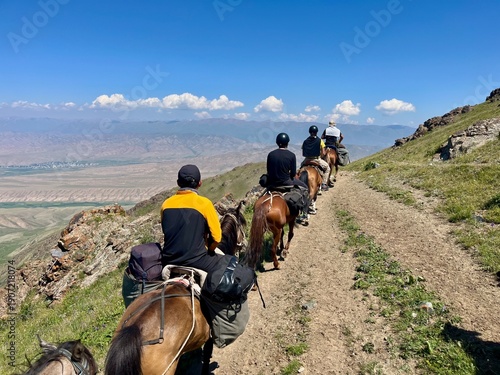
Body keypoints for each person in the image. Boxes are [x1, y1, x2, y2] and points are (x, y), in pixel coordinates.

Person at [160, 164, 223, 274]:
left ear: (178, 183)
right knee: (230, 263)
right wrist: (210, 250)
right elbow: (217, 238)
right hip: (197, 260)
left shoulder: (166, 204)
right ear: (200, 183)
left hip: (169, 259)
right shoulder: (205, 204)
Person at [266, 132, 310, 224]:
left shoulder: (271, 154)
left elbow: (269, 171)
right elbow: (293, 173)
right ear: (287, 143)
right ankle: (304, 213)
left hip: (273, 183)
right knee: (305, 188)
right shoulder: (291, 155)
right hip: (286, 183)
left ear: (277, 142)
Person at [301, 125, 331, 192]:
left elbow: (303, 150)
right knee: (327, 168)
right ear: (316, 132)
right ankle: (324, 184)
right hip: (316, 159)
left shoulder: (305, 141)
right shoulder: (320, 141)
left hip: (307, 159)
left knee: (299, 170)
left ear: (309, 132)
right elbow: (323, 153)